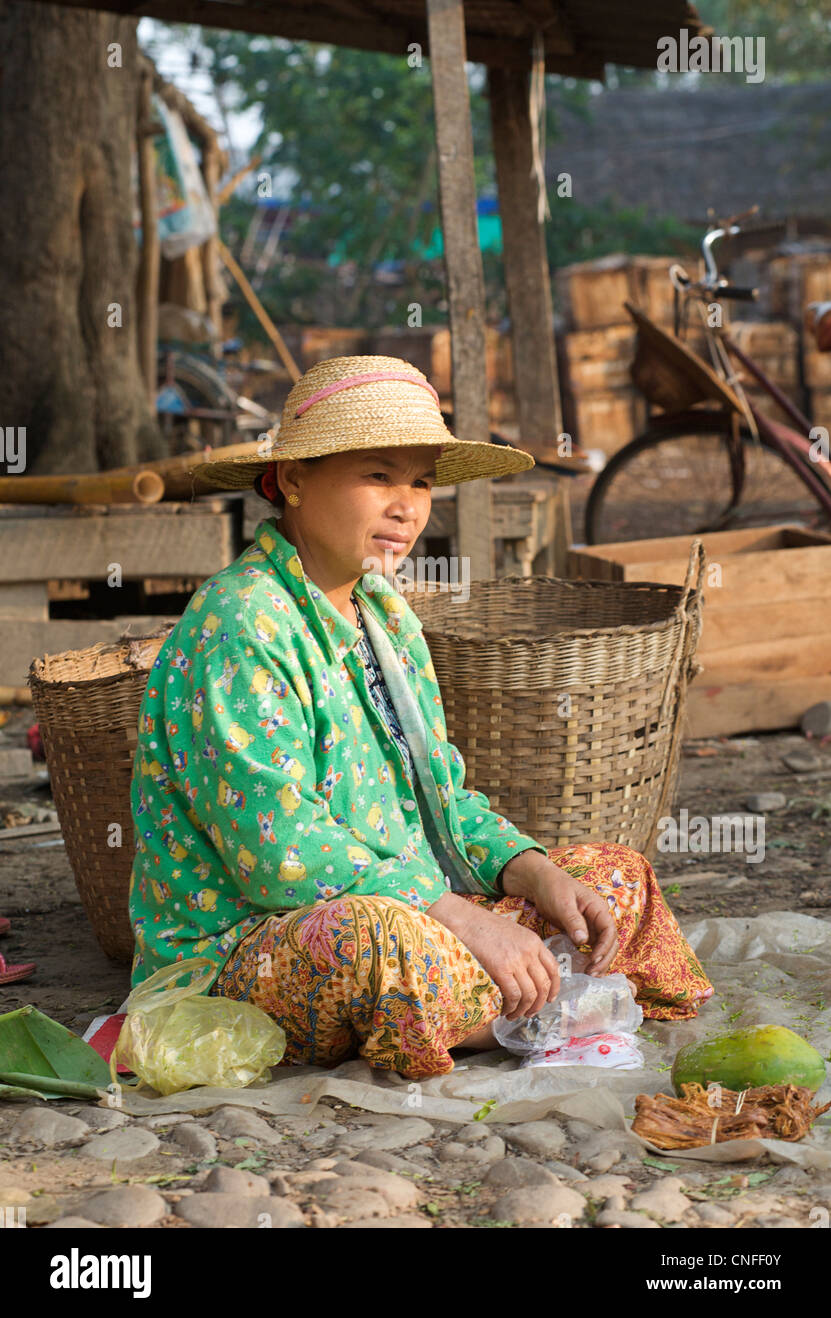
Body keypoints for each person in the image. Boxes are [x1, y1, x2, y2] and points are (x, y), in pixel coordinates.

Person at [128, 354, 713, 1081]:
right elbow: (278, 849)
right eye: (378, 474)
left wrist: (527, 871)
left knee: (611, 878)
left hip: (416, 899)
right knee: (372, 943)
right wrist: (462, 919)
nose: (406, 506)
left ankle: (509, 1003)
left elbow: (442, 795)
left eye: (422, 481)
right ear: (292, 480)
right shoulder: (240, 621)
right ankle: (536, 1005)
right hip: (255, 942)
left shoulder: (388, 616)